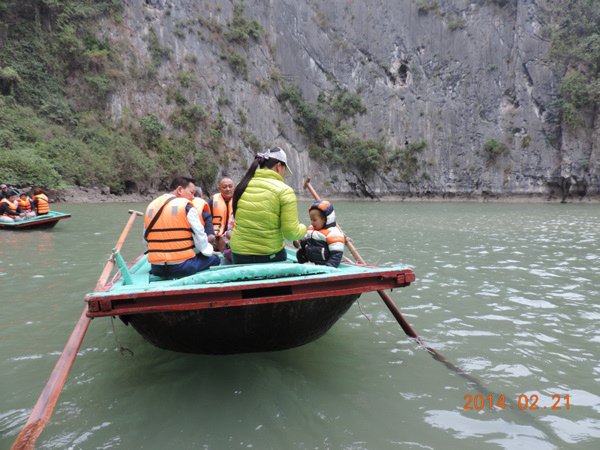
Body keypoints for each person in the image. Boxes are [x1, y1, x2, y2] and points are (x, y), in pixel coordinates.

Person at [230, 146, 307, 264]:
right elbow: (291, 234)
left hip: (239, 255)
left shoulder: (242, 185)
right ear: (279, 166)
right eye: (285, 170)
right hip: (269, 255)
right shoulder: (284, 191)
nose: (284, 174)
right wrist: (304, 228)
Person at [144, 177, 220, 278]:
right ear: (180, 190)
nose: (193, 197)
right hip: (181, 267)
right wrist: (209, 251)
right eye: (192, 193)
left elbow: (145, 240)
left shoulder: (151, 206)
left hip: (157, 269)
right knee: (215, 259)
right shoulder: (186, 207)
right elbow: (200, 236)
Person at [295, 200, 344, 268]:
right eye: (311, 219)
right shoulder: (311, 229)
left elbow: (336, 254)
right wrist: (299, 242)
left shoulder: (333, 233)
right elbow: (305, 241)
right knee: (300, 252)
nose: (312, 222)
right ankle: (302, 263)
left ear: (325, 219)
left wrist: (330, 267)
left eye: (314, 220)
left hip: (324, 264)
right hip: (311, 262)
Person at [208, 177, 235, 253]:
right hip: (216, 237)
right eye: (224, 187)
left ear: (234, 187)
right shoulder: (212, 202)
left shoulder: (239, 202)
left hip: (233, 235)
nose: (228, 189)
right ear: (219, 188)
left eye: (230, 186)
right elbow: (206, 221)